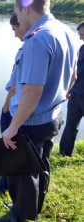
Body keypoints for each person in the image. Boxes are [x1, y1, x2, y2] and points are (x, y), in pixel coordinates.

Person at [0, 0, 79, 221]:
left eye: (16, 11)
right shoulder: (66, 31)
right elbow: (73, 77)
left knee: (22, 172)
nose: (16, 17)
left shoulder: (37, 39)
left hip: (32, 121)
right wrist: (58, 99)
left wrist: (13, 127)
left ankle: (20, 217)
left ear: (26, 8)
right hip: (53, 116)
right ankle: (32, 207)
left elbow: (32, 91)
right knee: (41, 165)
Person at [0, 13, 27, 194]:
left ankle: (4, 186)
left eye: (15, 28)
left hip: (15, 111)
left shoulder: (29, 49)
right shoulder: (58, 39)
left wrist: (5, 109)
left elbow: (15, 87)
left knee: (8, 146)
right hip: (24, 111)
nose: (14, 34)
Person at [59, 21, 84, 157]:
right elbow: (76, 72)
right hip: (76, 95)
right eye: (80, 35)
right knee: (70, 126)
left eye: (83, 35)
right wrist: (69, 89)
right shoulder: (81, 49)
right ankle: (64, 153)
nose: (80, 38)